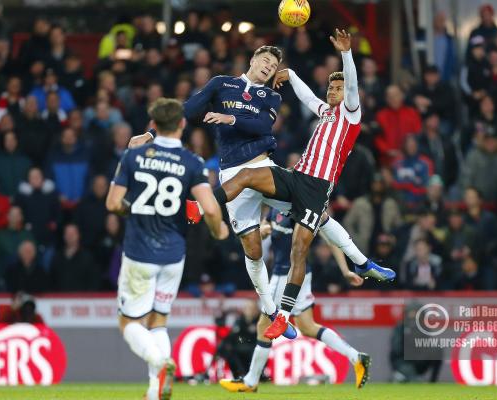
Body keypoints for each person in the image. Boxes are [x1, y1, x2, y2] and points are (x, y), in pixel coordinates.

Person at [130, 36, 384, 340]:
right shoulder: (221, 84)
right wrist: (152, 133)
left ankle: (360, 261)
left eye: (275, 65)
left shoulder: (271, 97)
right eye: (265, 61)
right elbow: (187, 109)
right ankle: (272, 310)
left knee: (309, 218)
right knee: (253, 251)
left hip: (263, 167)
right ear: (252, 60)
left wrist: (230, 116)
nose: (269, 67)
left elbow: (262, 127)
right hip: (230, 173)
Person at [209, 30, 395, 340]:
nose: (334, 91)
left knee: (299, 250)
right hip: (296, 176)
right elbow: (308, 96)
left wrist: (347, 54)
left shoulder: (351, 114)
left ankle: (283, 315)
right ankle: (205, 205)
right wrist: (292, 74)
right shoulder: (325, 112)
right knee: (248, 175)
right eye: (331, 87)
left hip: (316, 188)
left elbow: (351, 84)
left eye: (339, 87)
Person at [106, 98, 228, 400]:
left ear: (153, 125)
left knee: (129, 323)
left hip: (139, 253)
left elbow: (112, 203)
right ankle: (154, 391)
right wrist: (220, 230)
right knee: (158, 320)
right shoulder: (192, 163)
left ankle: (160, 363)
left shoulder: (134, 155)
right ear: (182, 125)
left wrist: (133, 210)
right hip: (174, 255)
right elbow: (210, 210)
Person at [220, 209, 371, 392]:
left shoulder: (301, 209)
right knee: (307, 326)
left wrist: (345, 270)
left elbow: (331, 238)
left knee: (263, 325)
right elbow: (264, 230)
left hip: (288, 275)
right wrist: (264, 230)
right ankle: (356, 357)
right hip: (298, 274)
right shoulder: (275, 208)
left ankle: (251, 381)